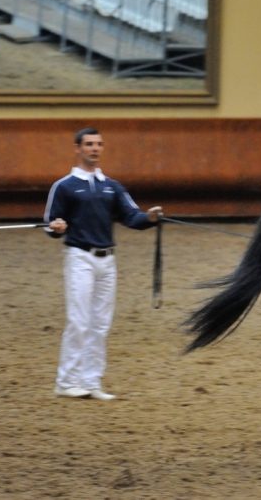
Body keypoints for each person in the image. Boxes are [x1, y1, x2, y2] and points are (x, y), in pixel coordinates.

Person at [44, 127, 162, 400]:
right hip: (80, 258)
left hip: (107, 261)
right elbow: (52, 222)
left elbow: (132, 216)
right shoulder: (65, 186)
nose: (94, 148)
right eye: (89, 144)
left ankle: (91, 380)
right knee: (79, 320)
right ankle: (66, 381)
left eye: (98, 144)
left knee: (100, 323)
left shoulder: (112, 186)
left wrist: (151, 218)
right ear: (78, 148)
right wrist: (57, 227)